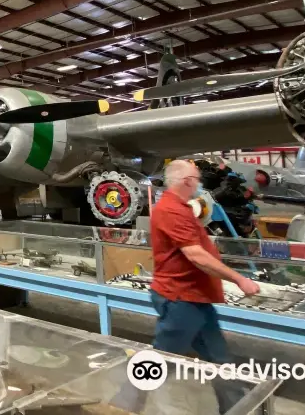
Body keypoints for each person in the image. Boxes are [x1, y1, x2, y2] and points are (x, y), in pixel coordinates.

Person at [112, 160, 261, 414]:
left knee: (219, 359)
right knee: (160, 360)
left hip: (196, 298)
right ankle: (121, 406)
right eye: (196, 178)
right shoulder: (172, 210)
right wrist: (239, 278)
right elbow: (196, 255)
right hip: (181, 299)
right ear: (187, 182)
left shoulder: (180, 208)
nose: (200, 183)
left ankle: (239, 408)